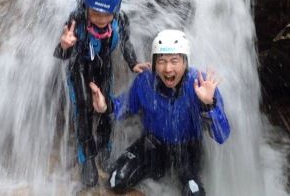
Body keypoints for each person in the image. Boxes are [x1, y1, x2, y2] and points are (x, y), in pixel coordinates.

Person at [89, 29, 231, 195]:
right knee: (115, 180)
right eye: (162, 61)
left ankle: (180, 175)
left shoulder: (201, 85)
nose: (168, 69)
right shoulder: (145, 82)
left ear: (186, 62)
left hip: (188, 149)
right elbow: (125, 106)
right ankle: (157, 170)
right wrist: (106, 107)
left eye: (174, 61)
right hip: (153, 143)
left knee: (194, 193)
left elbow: (222, 136)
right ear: (154, 63)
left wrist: (209, 105)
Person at [54, 0, 149, 187]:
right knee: (84, 111)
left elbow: (125, 44)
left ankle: (105, 150)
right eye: (95, 12)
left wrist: (133, 63)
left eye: (106, 15)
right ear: (86, 6)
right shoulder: (75, 21)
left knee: (106, 110)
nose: (99, 19)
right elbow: (61, 55)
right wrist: (65, 46)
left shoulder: (120, 20)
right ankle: (86, 158)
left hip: (103, 69)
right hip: (79, 69)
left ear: (114, 12)